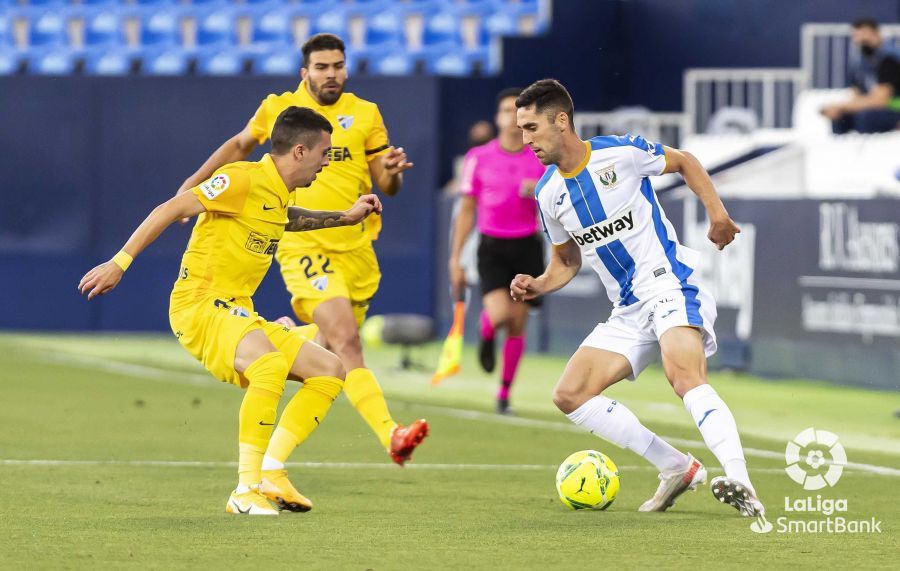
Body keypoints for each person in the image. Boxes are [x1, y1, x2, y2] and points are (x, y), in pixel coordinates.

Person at [79, 107, 382, 515]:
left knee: (330, 370)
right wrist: (120, 262)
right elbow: (171, 209)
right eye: (324, 153)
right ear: (298, 151)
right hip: (200, 305)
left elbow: (285, 220)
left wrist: (343, 218)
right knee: (269, 365)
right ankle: (244, 490)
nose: (328, 162)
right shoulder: (241, 177)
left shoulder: (279, 193)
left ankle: (272, 471)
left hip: (237, 310)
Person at [509, 79, 764, 517]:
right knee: (570, 393)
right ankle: (676, 467)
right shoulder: (549, 193)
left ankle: (740, 480)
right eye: (522, 128)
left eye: (532, 127)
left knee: (683, 375)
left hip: (668, 284)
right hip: (627, 311)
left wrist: (718, 214)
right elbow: (566, 263)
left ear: (561, 121)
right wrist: (537, 283)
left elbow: (684, 162)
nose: (524, 138)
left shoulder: (618, 153)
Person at [174, 34, 427, 466]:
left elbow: (388, 185)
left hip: (357, 248)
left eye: (339, 66)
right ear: (304, 72)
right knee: (348, 342)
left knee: (329, 350)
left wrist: (391, 172)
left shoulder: (366, 115)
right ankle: (390, 434)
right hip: (304, 244)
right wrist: (193, 186)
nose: (332, 74)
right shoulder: (278, 109)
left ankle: (271, 457)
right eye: (323, 66)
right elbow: (239, 145)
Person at [448, 87, 546, 414]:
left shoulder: (540, 157)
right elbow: (466, 210)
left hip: (527, 245)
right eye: (506, 111)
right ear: (497, 116)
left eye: (517, 112)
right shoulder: (479, 158)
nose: (511, 118)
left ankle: (504, 393)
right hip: (492, 245)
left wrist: (540, 193)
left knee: (518, 324)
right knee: (502, 314)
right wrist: (456, 258)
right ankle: (487, 329)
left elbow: (560, 204)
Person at [821, 18, 900, 134]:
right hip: (871, 106)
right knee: (840, 119)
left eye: (865, 35)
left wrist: (842, 106)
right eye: (857, 35)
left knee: (867, 118)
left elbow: (881, 100)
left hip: (893, 107)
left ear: (877, 34)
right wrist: (840, 110)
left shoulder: (889, 59)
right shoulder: (858, 63)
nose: (861, 39)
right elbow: (855, 95)